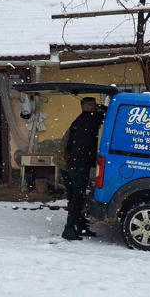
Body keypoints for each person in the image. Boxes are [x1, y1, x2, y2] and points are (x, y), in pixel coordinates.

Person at [62, 97, 106, 240]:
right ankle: (69, 229)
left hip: (74, 163)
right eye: (93, 105)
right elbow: (104, 114)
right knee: (77, 196)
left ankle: (79, 226)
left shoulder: (81, 119)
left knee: (76, 196)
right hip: (78, 163)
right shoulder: (88, 119)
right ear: (86, 106)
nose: (95, 107)